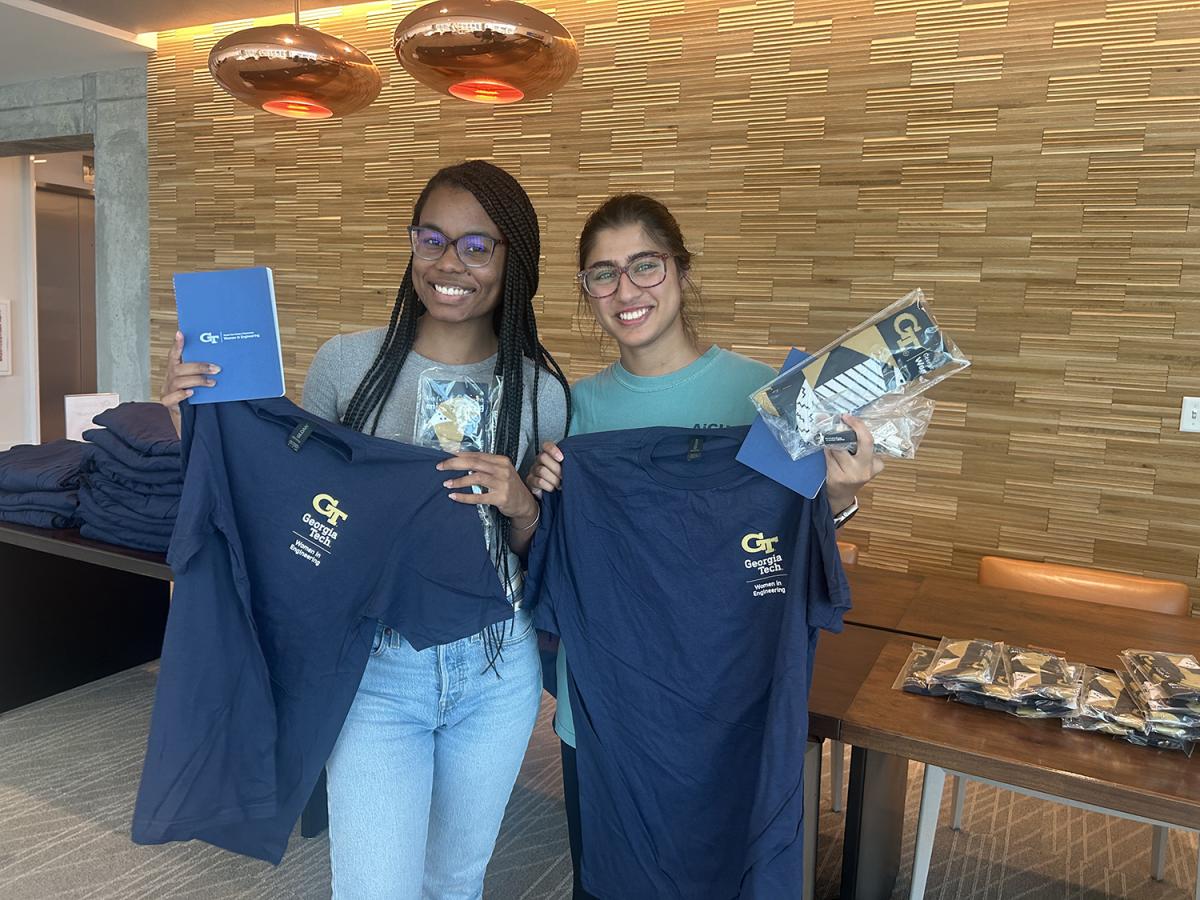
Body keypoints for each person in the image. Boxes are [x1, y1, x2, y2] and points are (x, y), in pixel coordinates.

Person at [160, 160, 570, 899]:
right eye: (433, 239)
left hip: (495, 666)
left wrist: (521, 505)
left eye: (478, 247)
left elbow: (542, 559)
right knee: (374, 887)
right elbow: (288, 502)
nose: (450, 263)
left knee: (455, 881)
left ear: (515, 263)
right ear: (412, 245)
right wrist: (195, 418)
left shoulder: (540, 393)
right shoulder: (349, 364)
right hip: (377, 668)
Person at [525, 193, 883, 899]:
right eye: (603, 274)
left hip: (727, 703)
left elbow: (787, 555)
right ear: (587, 293)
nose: (625, 290)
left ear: (682, 272)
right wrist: (544, 496)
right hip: (608, 710)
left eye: (645, 266)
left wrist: (837, 497)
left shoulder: (769, 399)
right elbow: (544, 565)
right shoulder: (572, 412)